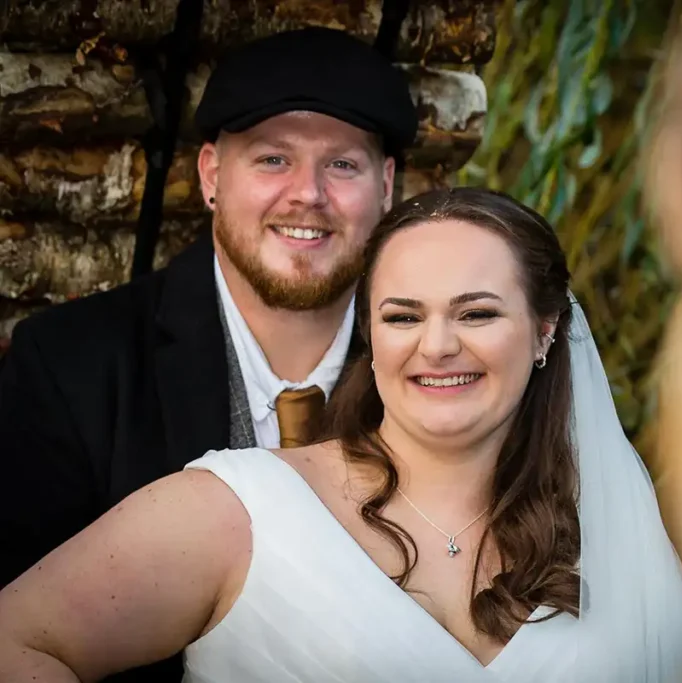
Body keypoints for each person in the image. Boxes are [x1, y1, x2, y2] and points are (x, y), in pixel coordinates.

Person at [0, 187, 682, 682]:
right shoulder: (240, 509)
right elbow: (16, 639)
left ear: (546, 331)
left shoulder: (615, 531)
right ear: (372, 332)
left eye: (478, 313)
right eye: (402, 316)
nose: (437, 345)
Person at [0, 25, 416, 683]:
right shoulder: (71, 366)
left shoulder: (437, 373)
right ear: (212, 176)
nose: (308, 193)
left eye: (342, 163)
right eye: (273, 158)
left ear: (387, 186)